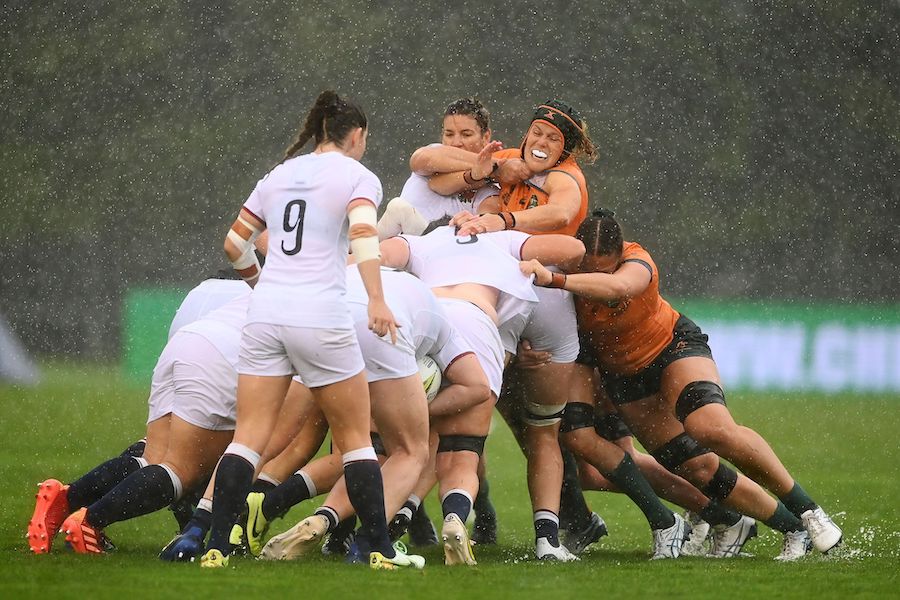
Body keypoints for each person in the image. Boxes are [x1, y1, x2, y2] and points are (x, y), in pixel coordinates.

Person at [521, 209, 844, 561]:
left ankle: (809, 511)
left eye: (605, 268)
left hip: (671, 349)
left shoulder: (636, 261)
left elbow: (619, 287)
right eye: (588, 268)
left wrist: (557, 281)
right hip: (622, 375)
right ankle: (792, 528)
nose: (596, 275)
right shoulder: (566, 265)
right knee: (696, 467)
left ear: (620, 254)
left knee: (712, 429)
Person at [198, 90, 419, 571]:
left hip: (266, 315)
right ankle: (379, 549)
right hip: (319, 316)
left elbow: (234, 244)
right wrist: (377, 299)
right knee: (356, 440)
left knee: (247, 438)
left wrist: (260, 286)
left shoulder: (279, 174)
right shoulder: (358, 176)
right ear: (356, 136)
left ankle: (215, 547)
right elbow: (363, 235)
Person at [380, 222, 586, 562]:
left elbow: (373, 256)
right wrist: (511, 229)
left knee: (425, 438)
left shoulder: (422, 243)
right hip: (506, 315)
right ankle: (545, 541)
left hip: (435, 320)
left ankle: (388, 521)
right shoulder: (504, 240)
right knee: (531, 433)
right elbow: (574, 250)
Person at [26, 271, 252, 555]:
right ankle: (91, 521)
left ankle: (67, 499)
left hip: (185, 342)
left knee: (153, 458)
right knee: (184, 470)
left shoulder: (216, 289)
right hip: (222, 355)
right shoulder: (286, 297)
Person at [376, 97, 507, 239]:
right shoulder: (434, 154)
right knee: (398, 208)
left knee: (398, 208)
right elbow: (419, 160)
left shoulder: (491, 191)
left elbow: (487, 228)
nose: (456, 143)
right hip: (390, 246)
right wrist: (493, 167)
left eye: (466, 134)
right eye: (449, 134)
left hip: (437, 248)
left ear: (486, 137)